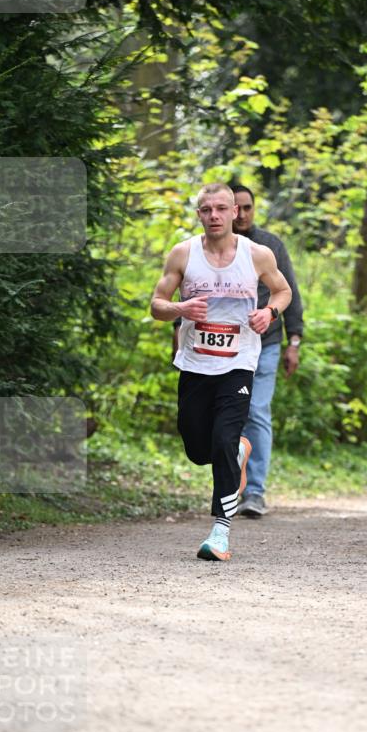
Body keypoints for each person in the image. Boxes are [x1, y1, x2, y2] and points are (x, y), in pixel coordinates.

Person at [150, 183, 292, 561]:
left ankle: (220, 533)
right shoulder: (183, 253)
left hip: (239, 364)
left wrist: (269, 313)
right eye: (206, 210)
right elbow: (156, 304)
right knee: (198, 448)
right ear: (199, 214)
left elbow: (283, 291)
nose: (214, 216)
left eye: (221, 209)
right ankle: (239, 451)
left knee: (224, 440)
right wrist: (181, 310)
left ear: (234, 213)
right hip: (195, 364)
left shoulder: (257, 254)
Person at [231, 185, 304, 518]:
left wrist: (295, 340)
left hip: (266, 342)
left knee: (257, 410)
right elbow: (190, 288)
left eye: (247, 207)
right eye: (236, 208)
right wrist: (179, 331)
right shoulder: (208, 248)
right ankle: (230, 486)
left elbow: (289, 291)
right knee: (227, 415)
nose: (242, 214)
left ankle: (255, 492)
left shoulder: (270, 246)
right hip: (222, 344)